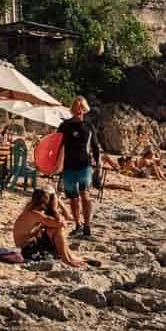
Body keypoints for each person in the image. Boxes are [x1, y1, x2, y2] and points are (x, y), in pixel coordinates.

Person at [10, 188, 87, 268]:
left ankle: (71, 258)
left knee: (52, 230)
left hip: (26, 246)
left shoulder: (30, 210)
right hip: (27, 250)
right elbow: (60, 224)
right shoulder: (35, 214)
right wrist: (54, 208)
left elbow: (64, 219)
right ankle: (67, 259)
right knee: (57, 230)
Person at [54, 96, 97, 238]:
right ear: (72, 110)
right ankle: (78, 224)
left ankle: (87, 225)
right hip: (68, 166)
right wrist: (54, 164)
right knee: (73, 198)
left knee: (85, 196)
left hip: (84, 165)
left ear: (85, 109)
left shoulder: (89, 126)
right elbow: (55, 145)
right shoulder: (65, 126)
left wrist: (97, 162)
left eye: (82, 108)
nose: (79, 111)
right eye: (76, 108)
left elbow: (95, 146)